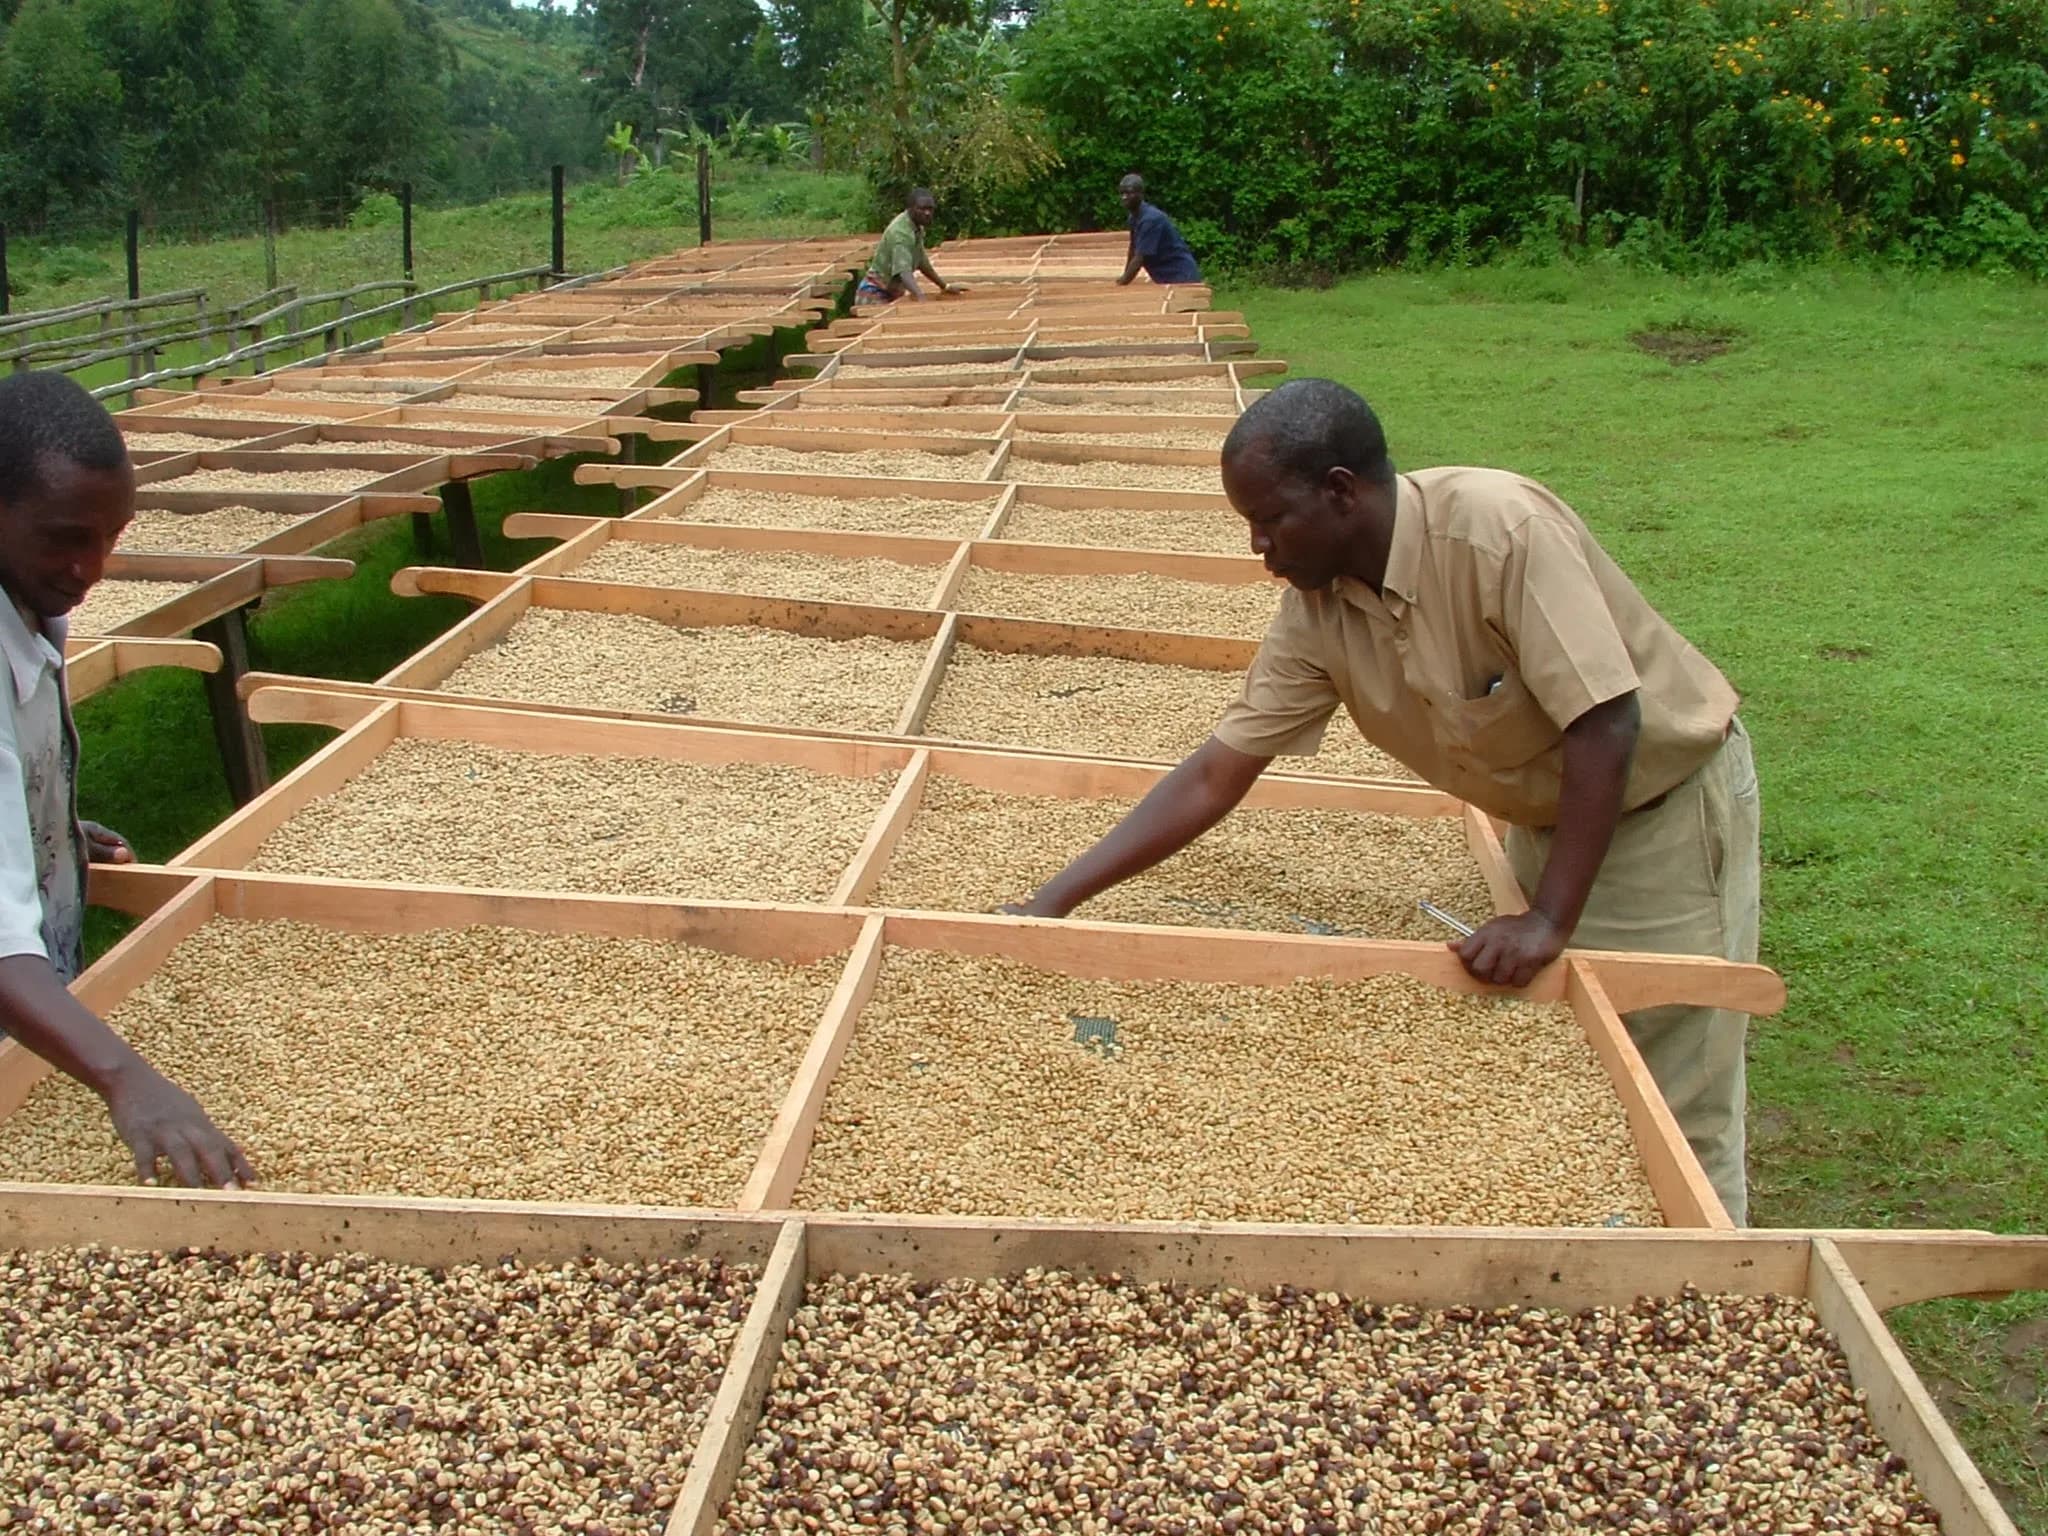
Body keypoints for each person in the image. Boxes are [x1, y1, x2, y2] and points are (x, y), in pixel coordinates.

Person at [1003, 378, 1760, 1224]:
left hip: (1657, 811)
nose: (1257, 546)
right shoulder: (1318, 611)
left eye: (1270, 519)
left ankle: (1715, 1266)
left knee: (1672, 1086)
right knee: (1572, 1056)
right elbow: (1218, 772)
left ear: (1339, 491)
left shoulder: (1499, 532)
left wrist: (1548, 920)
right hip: (1551, 814)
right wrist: (1050, 905)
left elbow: (1607, 721)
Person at [0, 370, 254, 1191]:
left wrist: (44, 832)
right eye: (66, 537)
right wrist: (126, 1079)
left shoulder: (28, 596)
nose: (92, 567)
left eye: (112, 536)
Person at [855, 188, 964, 306]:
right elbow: (903, 272)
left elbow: (922, 262)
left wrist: (944, 286)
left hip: (892, 292)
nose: (927, 213)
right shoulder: (901, 233)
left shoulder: (916, 228)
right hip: (874, 294)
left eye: (930, 209)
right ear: (910, 209)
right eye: (922, 209)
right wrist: (920, 297)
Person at [1116, 174, 1203, 287]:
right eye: (1122, 193)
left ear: (1140, 194)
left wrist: (1122, 283)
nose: (1124, 197)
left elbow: (1140, 258)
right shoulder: (1134, 218)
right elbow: (1133, 249)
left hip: (1180, 275)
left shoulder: (1150, 220)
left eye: (1129, 193)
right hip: (1165, 277)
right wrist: (1124, 276)